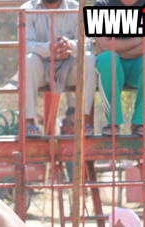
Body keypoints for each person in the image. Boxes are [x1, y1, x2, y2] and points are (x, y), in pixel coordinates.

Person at [21, 0, 97, 135]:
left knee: (89, 58)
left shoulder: (76, 8)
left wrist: (71, 46)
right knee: (29, 60)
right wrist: (50, 47)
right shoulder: (27, 10)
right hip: (42, 69)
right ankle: (29, 122)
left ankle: (83, 120)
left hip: (69, 68)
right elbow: (25, 46)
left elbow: (88, 42)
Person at [93, 0, 145, 136]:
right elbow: (104, 46)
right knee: (108, 58)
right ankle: (113, 121)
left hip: (138, 68)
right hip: (113, 67)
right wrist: (139, 39)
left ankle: (140, 120)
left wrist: (115, 47)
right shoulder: (102, 4)